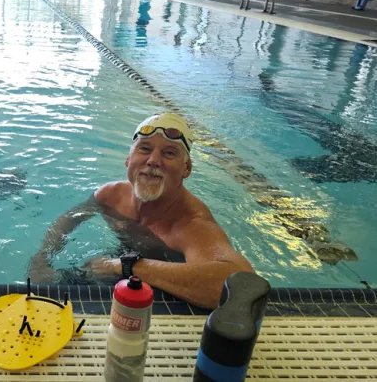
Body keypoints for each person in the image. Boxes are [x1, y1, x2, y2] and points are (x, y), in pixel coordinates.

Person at [28, 113, 253, 309]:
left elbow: (239, 283)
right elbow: (70, 219)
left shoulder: (192, 224)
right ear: (129, 159)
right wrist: (41, 259)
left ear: (187, 168)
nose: (153, 160)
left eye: (169, 153)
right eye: (144, 149)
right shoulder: (110, 196)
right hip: (124, 263)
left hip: (171, 288)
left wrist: (124, 266)